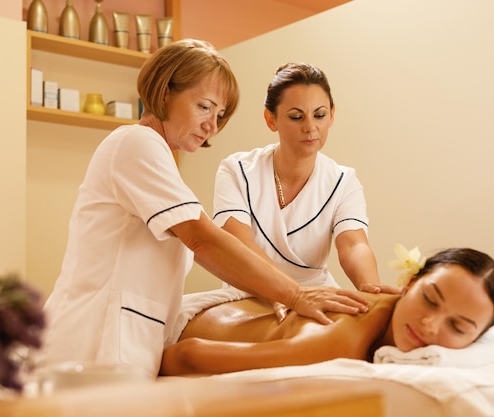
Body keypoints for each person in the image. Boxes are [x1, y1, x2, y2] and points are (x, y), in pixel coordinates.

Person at [41, 40, 370, 379]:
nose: (212, 126)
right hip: (92, 341)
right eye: (204, 107)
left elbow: (352, 242)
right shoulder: (136, 143)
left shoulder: (160, 158)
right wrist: (296, 294)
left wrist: (357, 290)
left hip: (128, 342)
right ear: (165, 92)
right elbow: (203, 240)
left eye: (219, 115)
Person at [213, 63, 397, 319]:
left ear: (332, 115)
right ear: (271, 119)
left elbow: (354, 244)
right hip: (250, 296)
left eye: (319, 115)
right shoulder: (238, 170)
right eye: (297, 117)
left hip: (319, 297)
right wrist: (292, 294)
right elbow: (238, 244)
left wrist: (371, 290)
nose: (310, 127)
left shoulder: (343, 181)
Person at [159, 247, 494, 376]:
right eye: (430, 299)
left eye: (459, 327)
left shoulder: (388, 316)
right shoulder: (338, 340)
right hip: (187, 324)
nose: (431, 324)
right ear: (408, 284)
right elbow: (186, 357)